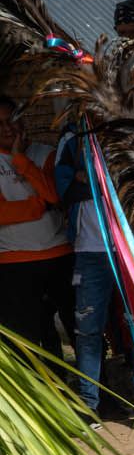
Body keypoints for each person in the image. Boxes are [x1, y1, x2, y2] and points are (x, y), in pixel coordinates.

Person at [54, 115, 134, 421]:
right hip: (90, 252)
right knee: (87, 332)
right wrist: (98, 182)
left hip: (130, 250)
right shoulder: (71, 137)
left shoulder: (126, 127)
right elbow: (64, 193)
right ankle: (88, 405)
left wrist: (89, 178)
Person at [0, 93, 72, 356]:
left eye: (12, 120)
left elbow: (55, 194)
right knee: (26, 337)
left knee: (77, 327)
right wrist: (37, 205)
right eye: (0, 124)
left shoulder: (46, 154)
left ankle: (94, 393)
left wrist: (21, 161)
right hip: (13, 262)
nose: (8, 128)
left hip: (60, 253)